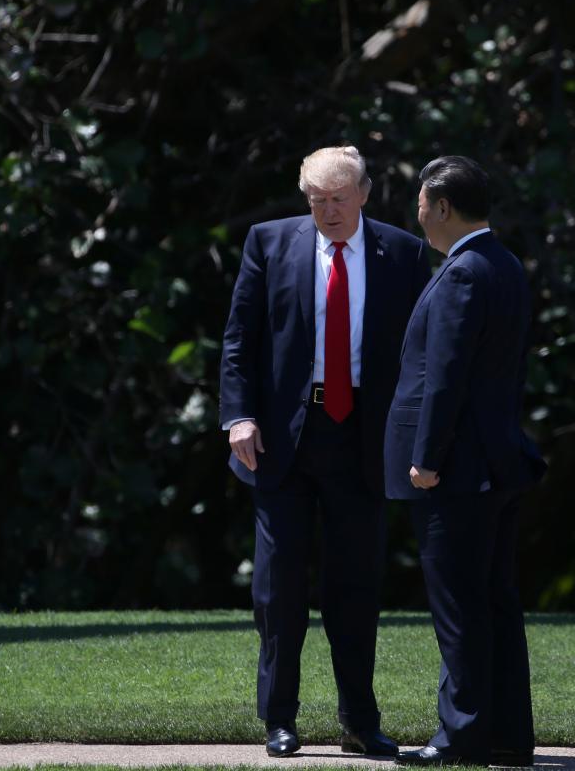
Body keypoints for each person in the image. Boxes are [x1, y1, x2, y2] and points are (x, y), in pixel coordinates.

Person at [221, 145, 433, 758]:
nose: (328, 210)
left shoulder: (403, 252)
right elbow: (240, 338)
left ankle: (360, 722)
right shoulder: (269, 241)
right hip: (282, 437)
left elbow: (418, 354)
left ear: (364, 192)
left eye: (339, 198)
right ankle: (279, 719)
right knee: (278, 584)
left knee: (356, 584)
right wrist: (238, 415)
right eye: (317, 199)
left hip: (363, 435)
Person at [384, 155, 547, 767]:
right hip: (499, 460)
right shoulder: (503, 264)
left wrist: (426, 458)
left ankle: (461, 737)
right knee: (495, 600)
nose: (417, 212)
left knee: (458, 606)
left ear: (442, 206)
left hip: (457, 469)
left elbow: (444, 377)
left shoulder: (461, 274)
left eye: (422, 202)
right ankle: (506, 735)